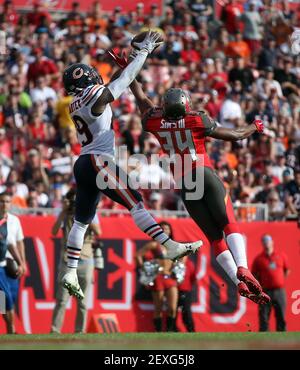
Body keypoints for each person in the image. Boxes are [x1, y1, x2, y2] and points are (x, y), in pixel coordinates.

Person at [108, 49, 270, 305]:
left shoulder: (154, 122)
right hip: (204, 174)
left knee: (214, 237)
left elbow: (138, 94)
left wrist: (128, 68)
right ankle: (243, 268)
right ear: (184, 106)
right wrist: (255, 126)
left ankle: (237, 280)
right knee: (229, 223)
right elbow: (236, 135)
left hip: (185, 185)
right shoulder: (197, 120)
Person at [61, 31, 202, 300]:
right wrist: (143, 52)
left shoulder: (76, 102)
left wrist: (124, 66)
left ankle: (69, 271)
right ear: (88, 78)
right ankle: (169, 246)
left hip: (83, 162)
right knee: (135, 202)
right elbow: (121, 84)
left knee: (81, 222)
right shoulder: (94, 95)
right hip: (98, 160)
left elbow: (115, 86)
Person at [51, 188, 101, 333]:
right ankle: (55, 330)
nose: (75, 203)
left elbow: (99, 232)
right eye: (73, 200)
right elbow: (54, 231)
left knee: (83, 302)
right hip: (67, 259)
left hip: (86, 259)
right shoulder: (65, 214)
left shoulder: (91, 212)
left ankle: (80, 331)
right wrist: (63, 211)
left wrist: (86, 212)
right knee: (61, 299)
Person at [136, 221, 178, 332]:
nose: (165, 231)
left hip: (169, 277)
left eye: (167, 229)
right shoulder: (154, 244)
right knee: (158, 308)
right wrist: (145, 269)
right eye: (162, 229)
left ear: (170, 231)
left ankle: (169, 331)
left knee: (172, 308)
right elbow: (138, 255)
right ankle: (158, 332)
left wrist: (176, 268)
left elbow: (180, 258)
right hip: (158, 278)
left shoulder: (173, 245)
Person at [252, 234, 290, 331]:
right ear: (262, 243)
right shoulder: (258, 259)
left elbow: (287, 270)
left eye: (268, 241)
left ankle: (282, 342)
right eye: (264, 241)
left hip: (279, 291)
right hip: (265, 291)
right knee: (263, 317)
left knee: (281, 316)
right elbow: (254, 275)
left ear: (272, 242)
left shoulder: (281, 256)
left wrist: (278, 280)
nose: (266, 243)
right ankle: (263, 342)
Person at [0, 192, 24, 334]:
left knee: (9, 298)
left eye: (7, 201)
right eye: (2, 201)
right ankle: (12, 329)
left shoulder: (13, 220)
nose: (4, 204)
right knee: (6, 297)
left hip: (10, 264)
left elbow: (14, 243)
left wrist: (21, 262)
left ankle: (9, 331)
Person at [176, 256, 196, 332]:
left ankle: (191, 330)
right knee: (173, 311)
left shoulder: (190, 264)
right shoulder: (174, 262)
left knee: (186, 312)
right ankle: (172, 329)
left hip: (186, 291)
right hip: (174, 291)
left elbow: (193, 278)